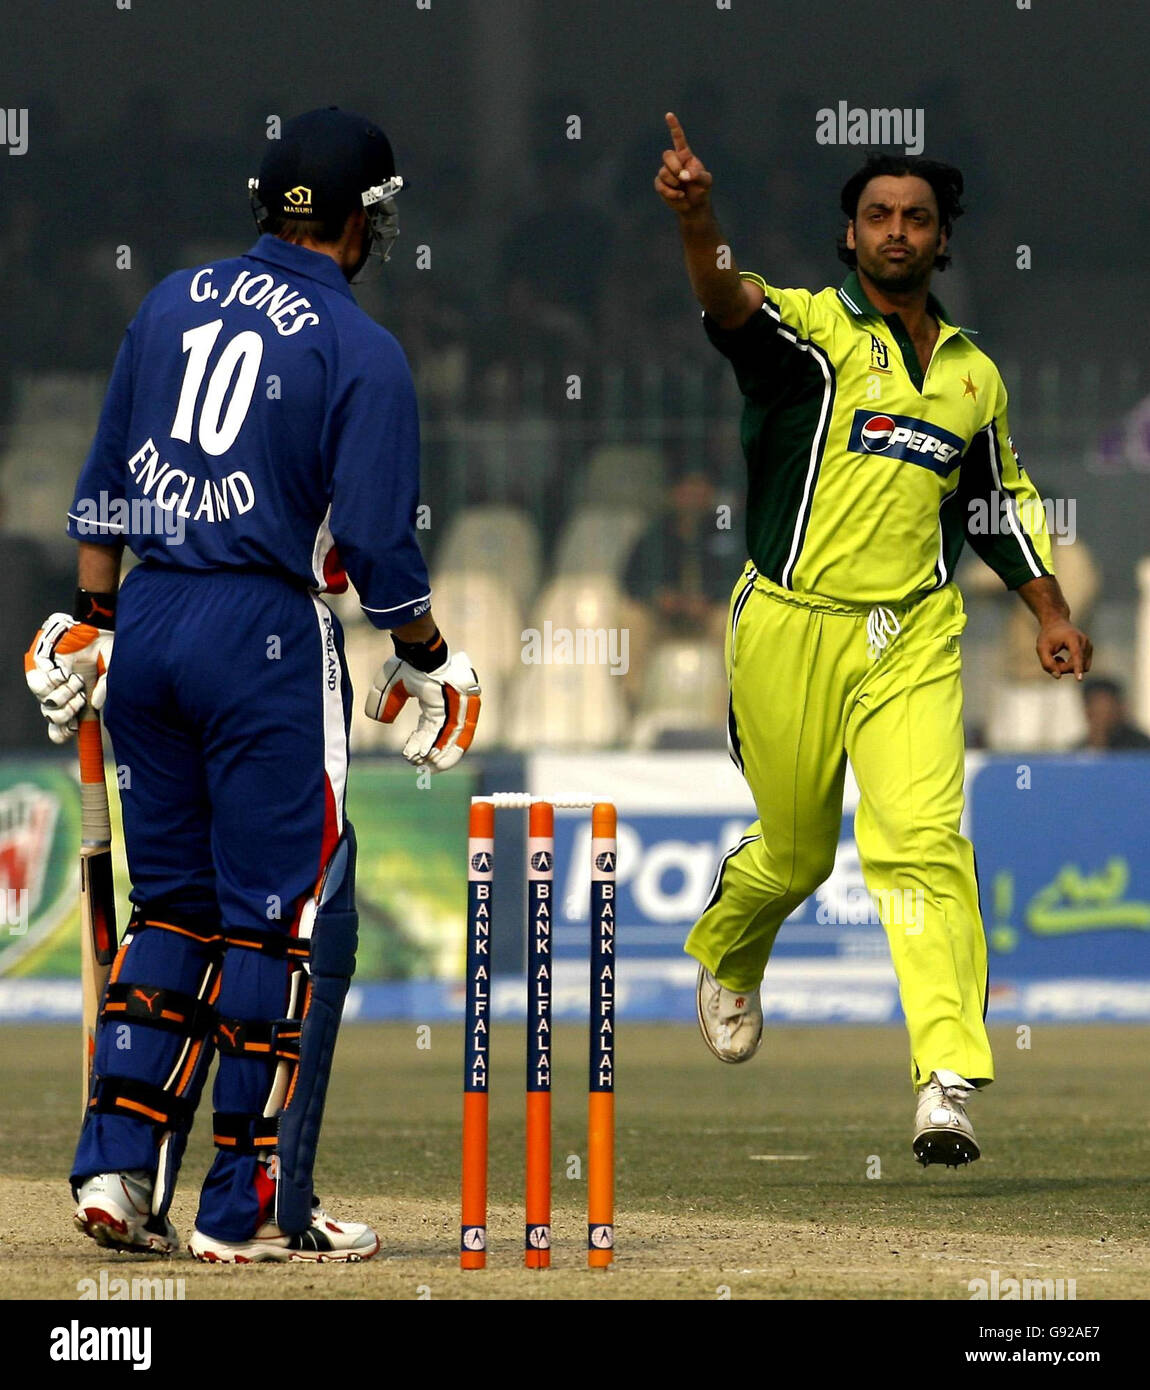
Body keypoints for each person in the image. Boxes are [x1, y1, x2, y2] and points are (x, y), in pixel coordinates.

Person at [24, 107, 481, 1262]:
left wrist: (90, 624)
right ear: (366, 220)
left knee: (168, 910)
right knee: (281, 919)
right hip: (263, 635)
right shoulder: (360, 349)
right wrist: (430, 655)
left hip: (154, 621)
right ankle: (251, 1211)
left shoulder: (169, 300)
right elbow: (377, 545)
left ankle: (119, 1175)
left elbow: (100, 492)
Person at [655, 112, 1092, 1166]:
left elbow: (991, 499)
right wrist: (699, 217)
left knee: (921, 849)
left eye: (917, 219)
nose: (897, 232)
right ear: (849, 236)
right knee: (797, 855)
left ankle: (944, 1080)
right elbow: (725, 298)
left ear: (943, 241)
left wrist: (1047, 608)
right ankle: (726, 943)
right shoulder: (809, 337)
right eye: (877, 216)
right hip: (789, 627)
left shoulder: (972, 376)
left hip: (912, 633)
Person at [1078, 678, 1150, 751]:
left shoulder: (1140, 746)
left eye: (1106, 707)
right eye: (1098, 707)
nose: (1103, 715)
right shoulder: (1078, 750)